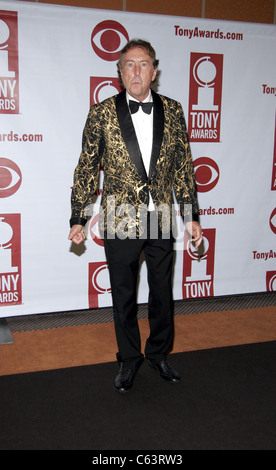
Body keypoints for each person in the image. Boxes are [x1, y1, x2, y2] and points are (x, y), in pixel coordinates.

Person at [68, 39, 202, 393]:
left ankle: (158, 353)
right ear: (120, 72)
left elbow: (183, 168)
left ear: (154, 71)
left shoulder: (173, 111)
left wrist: (190, 216)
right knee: (124, 294)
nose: (137, 71)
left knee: (161, 292)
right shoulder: (101, 113)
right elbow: (86, 169)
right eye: (130, 65)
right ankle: (129, 359)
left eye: (143, 64)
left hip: (159, 214)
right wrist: (78, 218)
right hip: (120, 216)